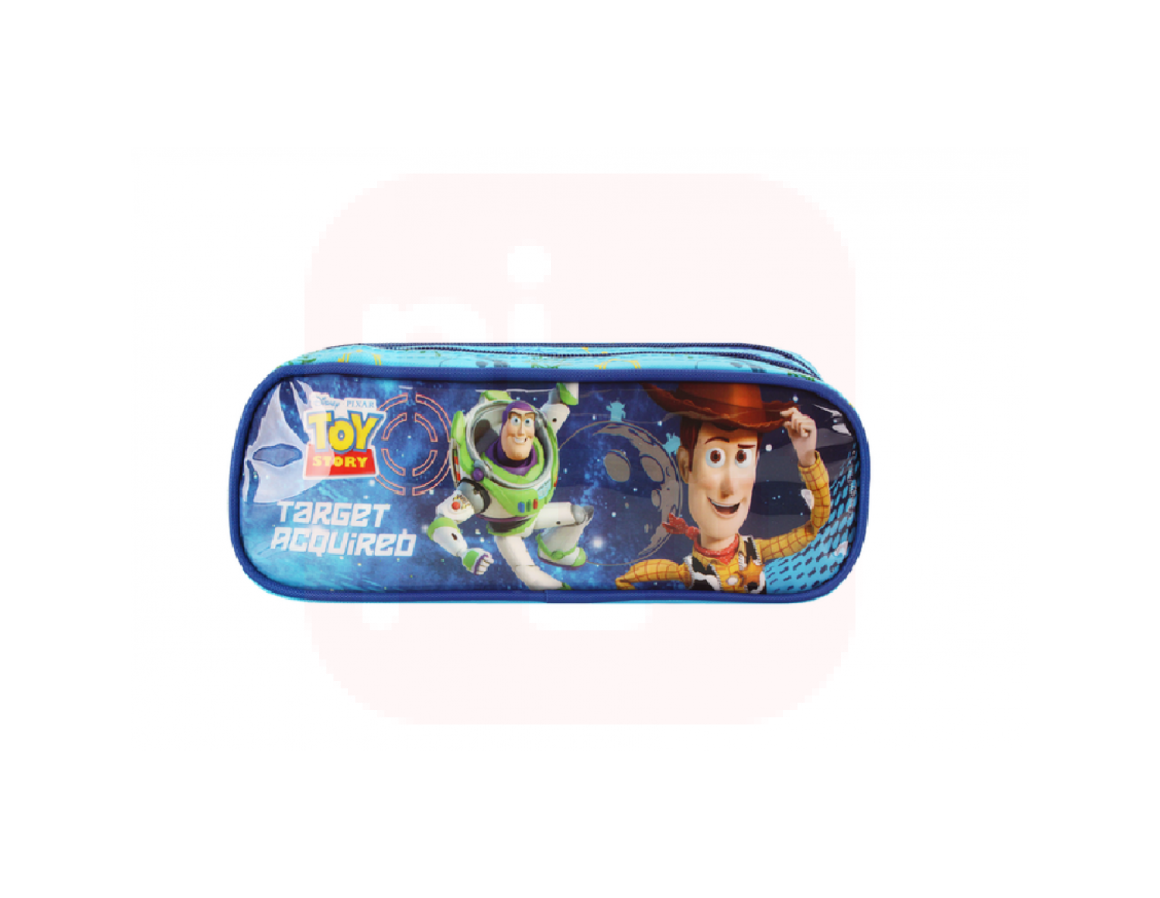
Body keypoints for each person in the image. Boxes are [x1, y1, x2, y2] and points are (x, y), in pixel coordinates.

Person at [616, 382, 830, 593]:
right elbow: (653, 571)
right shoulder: (690, 570)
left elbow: (815, 528)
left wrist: (807, 458)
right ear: (685, 465)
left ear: (756, 464)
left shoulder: (755, 551)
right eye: (715, 457)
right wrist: (623, 585)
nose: (730, 486)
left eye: (742, 457)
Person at [427, 386, 594, 590]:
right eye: (515, 421)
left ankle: (555, 550)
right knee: (534, 579)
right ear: (504, 426)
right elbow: (442, 521)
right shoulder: (480, 485)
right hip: (507, 531)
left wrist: (566, 390)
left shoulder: (540, 446)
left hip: (533, 515)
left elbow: (553, 411)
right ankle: (564, 597)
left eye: (527, 422)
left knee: (580, 514)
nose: (522, 431)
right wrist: (464, 553)